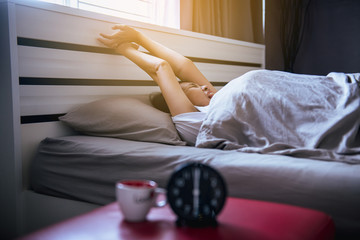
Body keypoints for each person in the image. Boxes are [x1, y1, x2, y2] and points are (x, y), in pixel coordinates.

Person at [98, 25, 217, 145]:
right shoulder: (192, 121)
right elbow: (161, 67)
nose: (205, 86)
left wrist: (138, 37)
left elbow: (184, 66)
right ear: (181, 99)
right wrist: (124, 48)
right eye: (193, 86)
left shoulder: (216, 101)